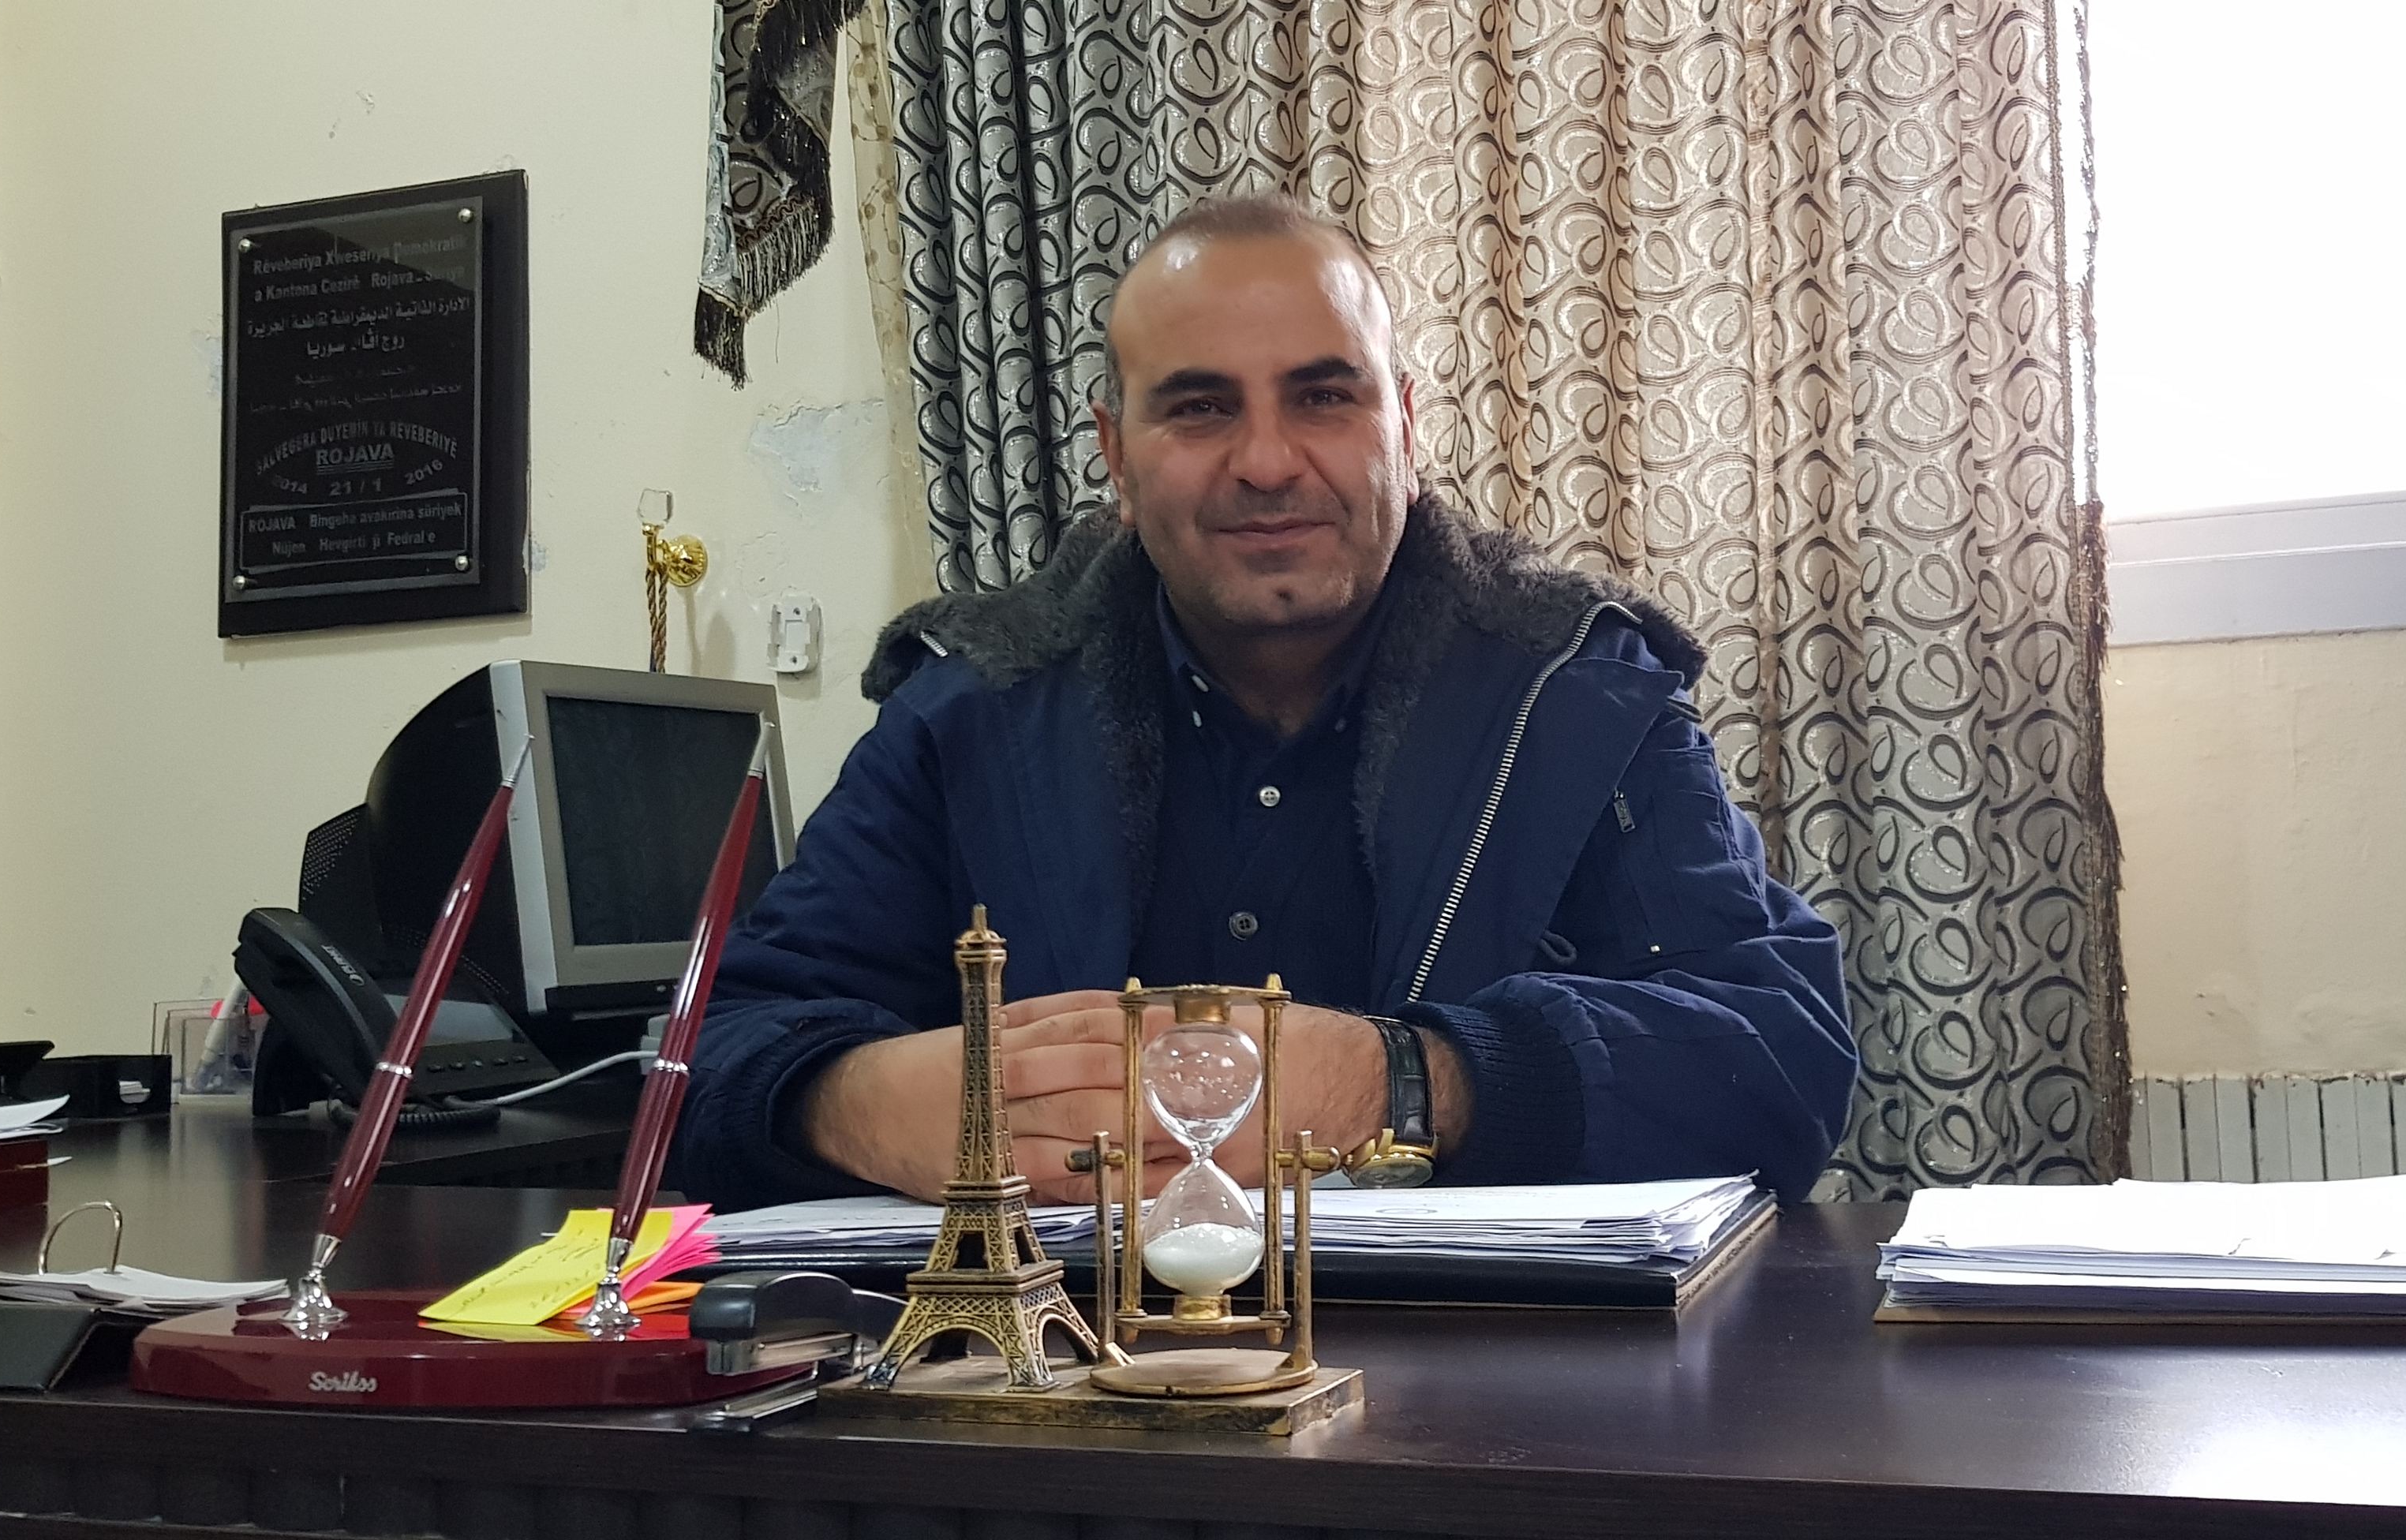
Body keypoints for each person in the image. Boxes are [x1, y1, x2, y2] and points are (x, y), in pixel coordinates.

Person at [669, 195, 1854, 1211]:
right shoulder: (968, 706)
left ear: (1405, 425)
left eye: (1323, 397)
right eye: (1200, 408)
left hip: (1486, 1422)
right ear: (1117, 459)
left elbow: (1780, 1060)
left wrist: (1398, 1081)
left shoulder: (1580, 690)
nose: (1269, 461)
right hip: (1062, 1410)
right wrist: (850, 1100)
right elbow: (703, 1055)